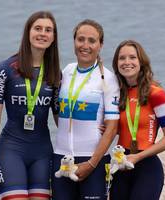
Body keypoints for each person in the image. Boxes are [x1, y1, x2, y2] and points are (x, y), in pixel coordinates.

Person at [0, 11, 61, 200]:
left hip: (42, 152)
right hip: (11, 150)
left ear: (53, 37)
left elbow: (60, 121)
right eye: (37, 28)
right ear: (28, 32)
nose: (43, 33)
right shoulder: (5, 69)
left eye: (48, 30)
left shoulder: (55, 73)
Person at [51, 19, 120, 200]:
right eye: (80, 39)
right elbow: (59, 111)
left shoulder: (108, 78)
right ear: (74, 42)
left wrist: (91, 163)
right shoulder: (66, 71)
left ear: (100, 45)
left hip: (93, 161)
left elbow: (112, 128)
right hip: (61, 158)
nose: (85, 45)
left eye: (92, 41)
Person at [109, 40, 165, 200]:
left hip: (146, 166)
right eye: (122, 58)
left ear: (141, 62)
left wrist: (138, 157)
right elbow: (118, 128)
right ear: (116, 63)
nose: (127, 62)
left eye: (132, 57)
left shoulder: (157, 94)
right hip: (121, 165)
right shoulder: (117, 94)